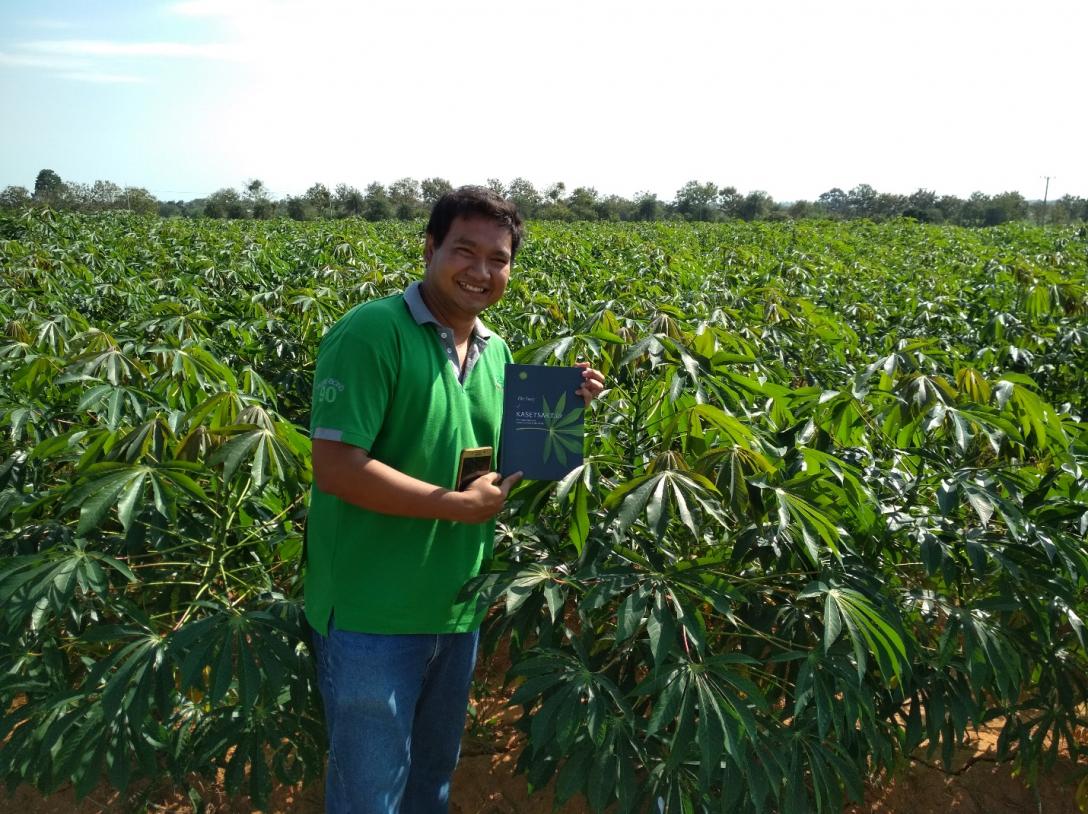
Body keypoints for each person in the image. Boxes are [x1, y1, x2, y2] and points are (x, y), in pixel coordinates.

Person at [305, 186, 605, 813]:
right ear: (430, 248)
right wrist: (452, 505)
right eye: (464, 251)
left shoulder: (497, 353)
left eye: (497, 259)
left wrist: (561, 416)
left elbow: (500, 476)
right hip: (371, 615)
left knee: (429, 784)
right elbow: (336, 467)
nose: (481, 270)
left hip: (456, 608)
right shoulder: (371, 332)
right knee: (369, 794)